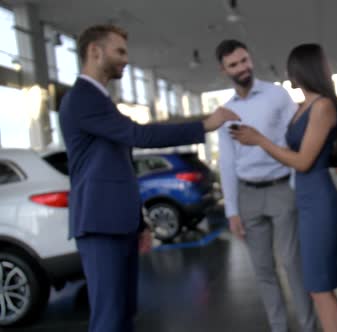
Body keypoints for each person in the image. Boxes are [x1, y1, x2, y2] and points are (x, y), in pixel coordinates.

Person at [59, 25, 238, 332]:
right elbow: (138, 135)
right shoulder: (83, 98)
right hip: (100, 224)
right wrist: (204, 124)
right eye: (120, 51)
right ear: (94, 51)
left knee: (124, 315)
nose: (126, 60)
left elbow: (118, 167)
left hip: (116, 222)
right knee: (109, 319)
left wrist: (139, 222)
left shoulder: (100, 101)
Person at [231, 43, 337, 332]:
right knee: (314, 288)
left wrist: (260, 140)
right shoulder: (303, 107)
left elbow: (303, 161)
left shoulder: (322, 106)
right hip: (306, 199)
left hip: (319, 200)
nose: (288, 74)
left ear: (300, 70)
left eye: (290, 68)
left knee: (321, 288)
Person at [215, 39, 316, 332]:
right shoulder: (226, 113)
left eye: (244, 60)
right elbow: (227, 163)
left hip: (282, 187)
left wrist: (296, 186)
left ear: (251, 59)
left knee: (291, 263)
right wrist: (231, 211)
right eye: (234, 64)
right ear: (224, 70)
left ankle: (309, 327)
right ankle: (279, 328)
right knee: (262, 271)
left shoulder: (277, 95)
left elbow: (297, 140)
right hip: (247, 195)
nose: (242, 68)